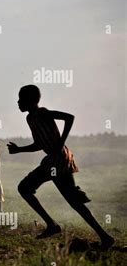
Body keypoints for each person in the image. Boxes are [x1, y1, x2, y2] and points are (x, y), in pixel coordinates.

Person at [7, 84, 114, 248]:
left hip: (60, 160)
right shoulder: (30, 118)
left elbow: (69, 117)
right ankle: (53, 225)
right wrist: (19, 149)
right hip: (51, 160)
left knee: (73, 202)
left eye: (21, 99)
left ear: (30, 100)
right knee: (25, 188)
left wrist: (61, 142)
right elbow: (39, 144)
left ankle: (104, 237)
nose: (18, 102)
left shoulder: (42, 113)